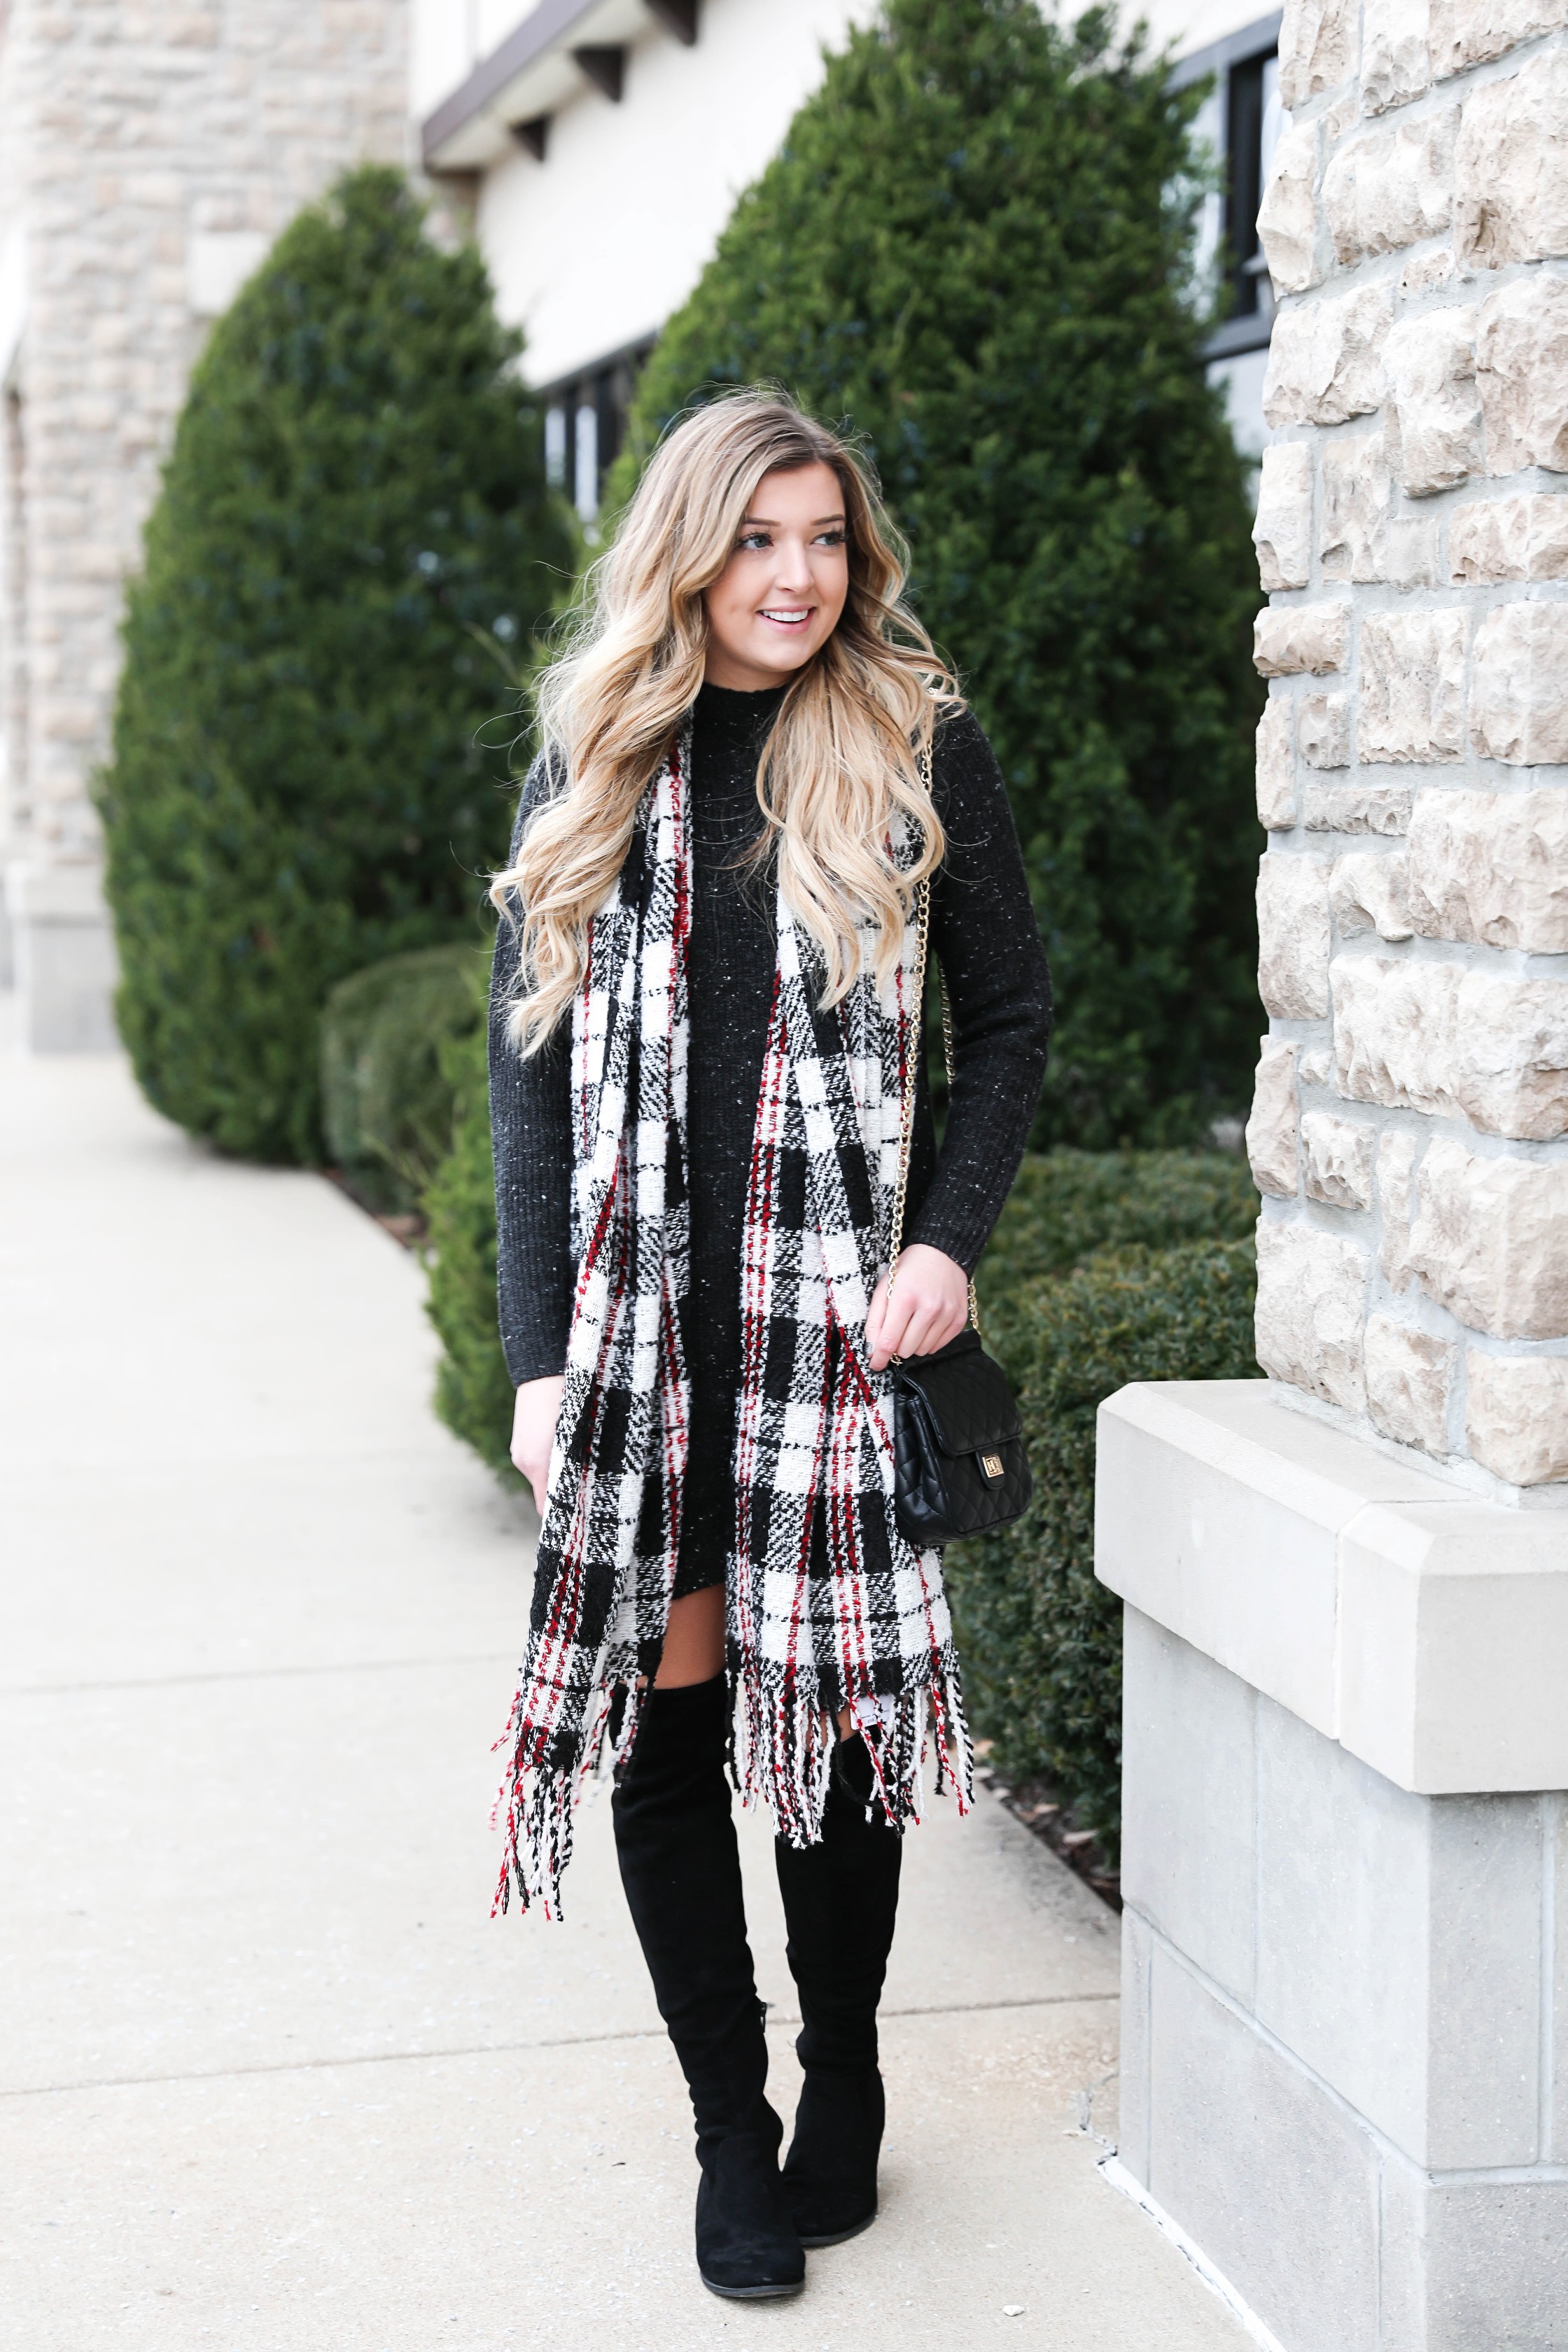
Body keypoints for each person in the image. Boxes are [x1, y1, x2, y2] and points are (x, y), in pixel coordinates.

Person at [487, 390, 1051, 2302]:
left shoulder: (913, 743)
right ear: (690, 551)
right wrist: (536, 1359)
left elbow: (1015, 1019)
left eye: (825, 539)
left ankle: (847, 2076)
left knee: (830, 1745)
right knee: (674, 1735)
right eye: (761, 541)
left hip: (827, 1343)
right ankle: (731, 2136)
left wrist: (949, 1248)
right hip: (647, 1345)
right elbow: (532, 1084)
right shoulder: (595, 753)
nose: (800, 577)